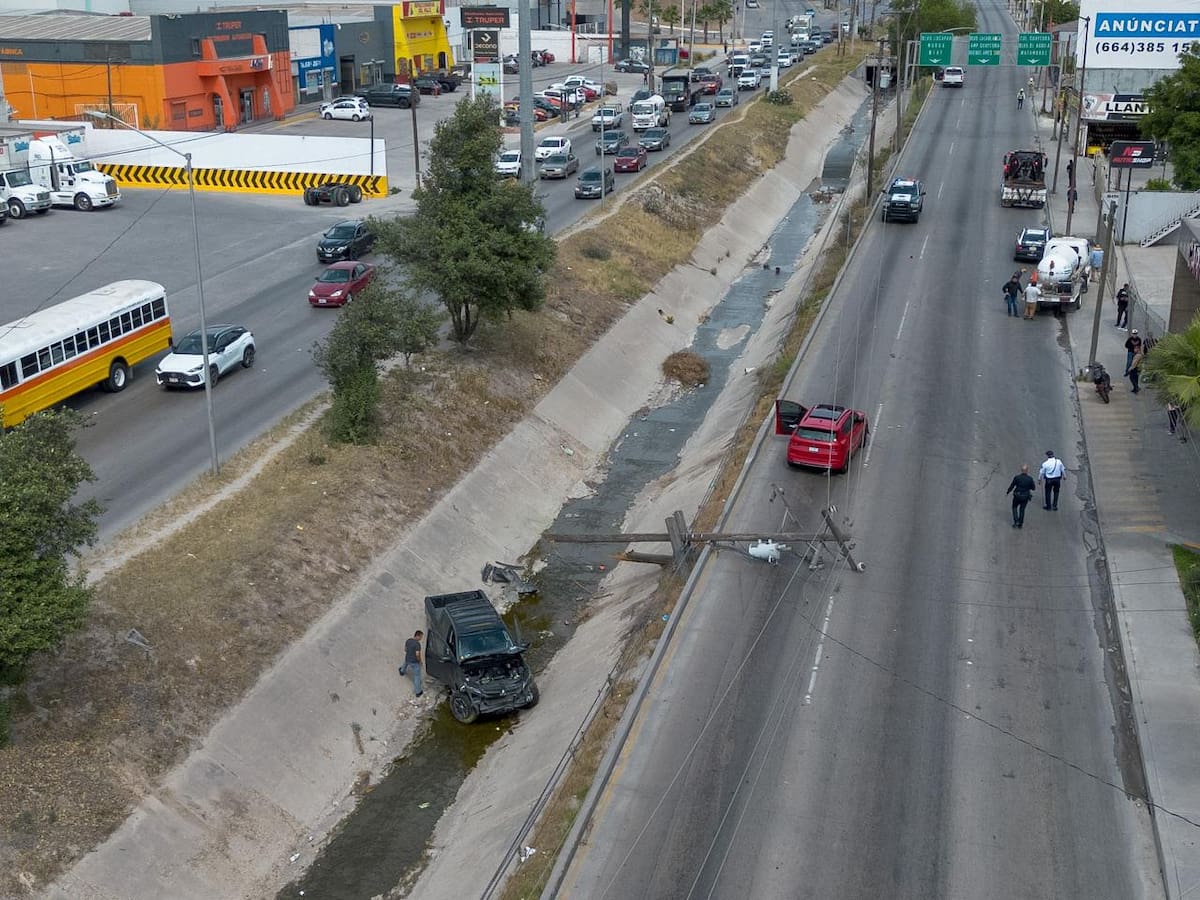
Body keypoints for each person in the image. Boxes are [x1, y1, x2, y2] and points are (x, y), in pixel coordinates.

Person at [399, 629, 424, 696]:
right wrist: (419, 661)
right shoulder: (417, 644)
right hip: (414, 662)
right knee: (417, 676)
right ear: (418, 636)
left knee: (406, 663)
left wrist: (409, 653)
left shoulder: (408, 640)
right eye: (421, 637)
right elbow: (417, 655)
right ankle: (418, 692)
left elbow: (405, 649)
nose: (421, 638)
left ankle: (402, 671)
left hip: (407, 658)